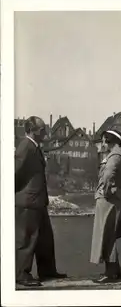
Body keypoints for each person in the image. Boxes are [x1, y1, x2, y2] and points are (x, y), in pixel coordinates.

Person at [15, 116, 67, 287]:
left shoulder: (34, 147)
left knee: (45, 238)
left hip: (38, 201)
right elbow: (14, 173)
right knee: (27, 239)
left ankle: (47, 271)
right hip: (29, 201)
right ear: (32, 130)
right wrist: (20, 194)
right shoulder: (25, 147)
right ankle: (22, 274)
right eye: (42, 129)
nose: (45, 132)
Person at [90, 129, 121, 283]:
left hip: (108, 200)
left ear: (109, 140)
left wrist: (106, 191)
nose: (102, 144)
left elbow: (108, 175)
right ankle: (116, 269)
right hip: (118, 198)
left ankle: (111, 273)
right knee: (111, 234)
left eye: (103, 140)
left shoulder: (114, 156)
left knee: (106, 235)